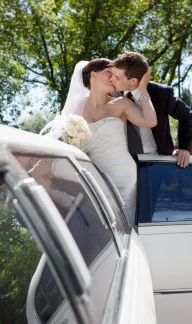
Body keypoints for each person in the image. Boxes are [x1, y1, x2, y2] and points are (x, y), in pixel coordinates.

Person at [41, 59, 157, 225]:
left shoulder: (121, 104)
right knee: (108, 229)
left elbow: (150, 121)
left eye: (116, 74)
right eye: (109, 72)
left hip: (125, 177)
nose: (113, 78)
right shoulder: (77, 108)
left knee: (127, 228)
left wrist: (143, 88)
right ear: (93, 75)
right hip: (96, 180)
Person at [111, 51, 192, 168]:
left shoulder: (162, 93)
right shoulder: (112, 94)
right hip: (123, 162)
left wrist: (184, 148)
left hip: (158, 162)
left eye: (117, 77)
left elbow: (187, 115)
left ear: (133, 81)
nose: (111, 79)